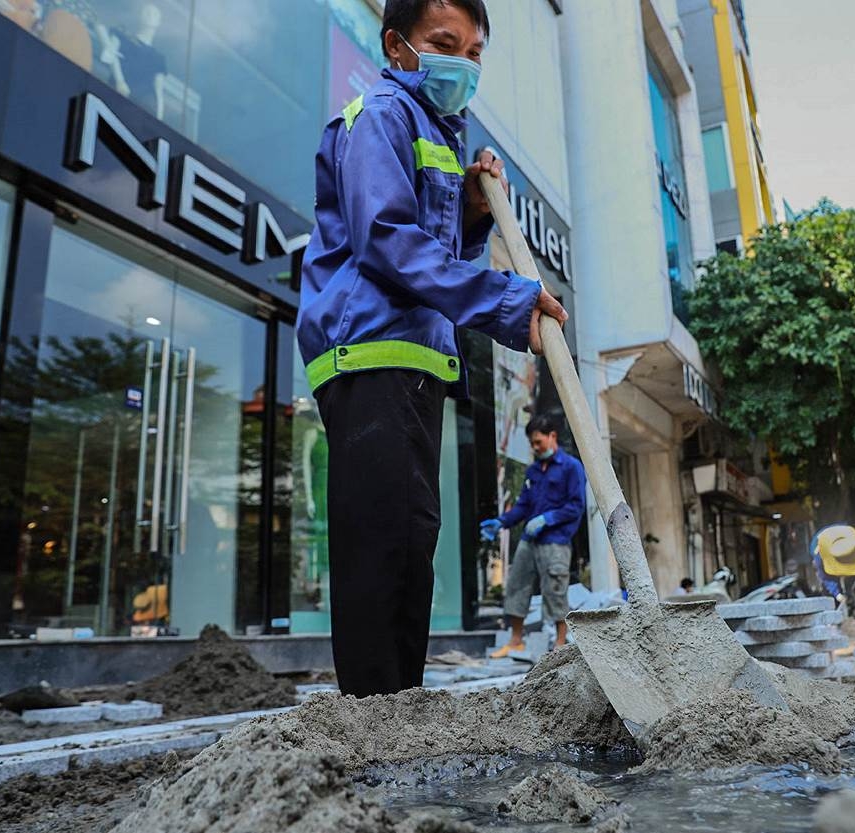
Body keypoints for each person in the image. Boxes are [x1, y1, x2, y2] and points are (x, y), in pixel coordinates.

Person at [296, 0, 568, 698]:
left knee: (412, 542)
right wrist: (507, 301)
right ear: (396, 45)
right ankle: (374, 719)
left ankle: (400, 708)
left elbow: (435, 259)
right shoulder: (379, 115)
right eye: (444, 43)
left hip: (414, 361)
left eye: (475, 51)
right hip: (369, 353)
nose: (463, 63)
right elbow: (389, 243)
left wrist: (475, 221)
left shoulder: (438, 136)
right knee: (382, 543)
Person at [480, 414, 586, 656]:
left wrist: (547, 519)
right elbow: (523, 507)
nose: (535, 447)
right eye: (532, 443)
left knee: (555, 589)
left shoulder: (572, 467)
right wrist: (501, 522)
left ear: (552, 436)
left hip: (556, 540)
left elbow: (575, 506)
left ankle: (561, 645)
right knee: (516, 586)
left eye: (538, 442)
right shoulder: (533, 471)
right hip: (530, 540)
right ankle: (516, 640)